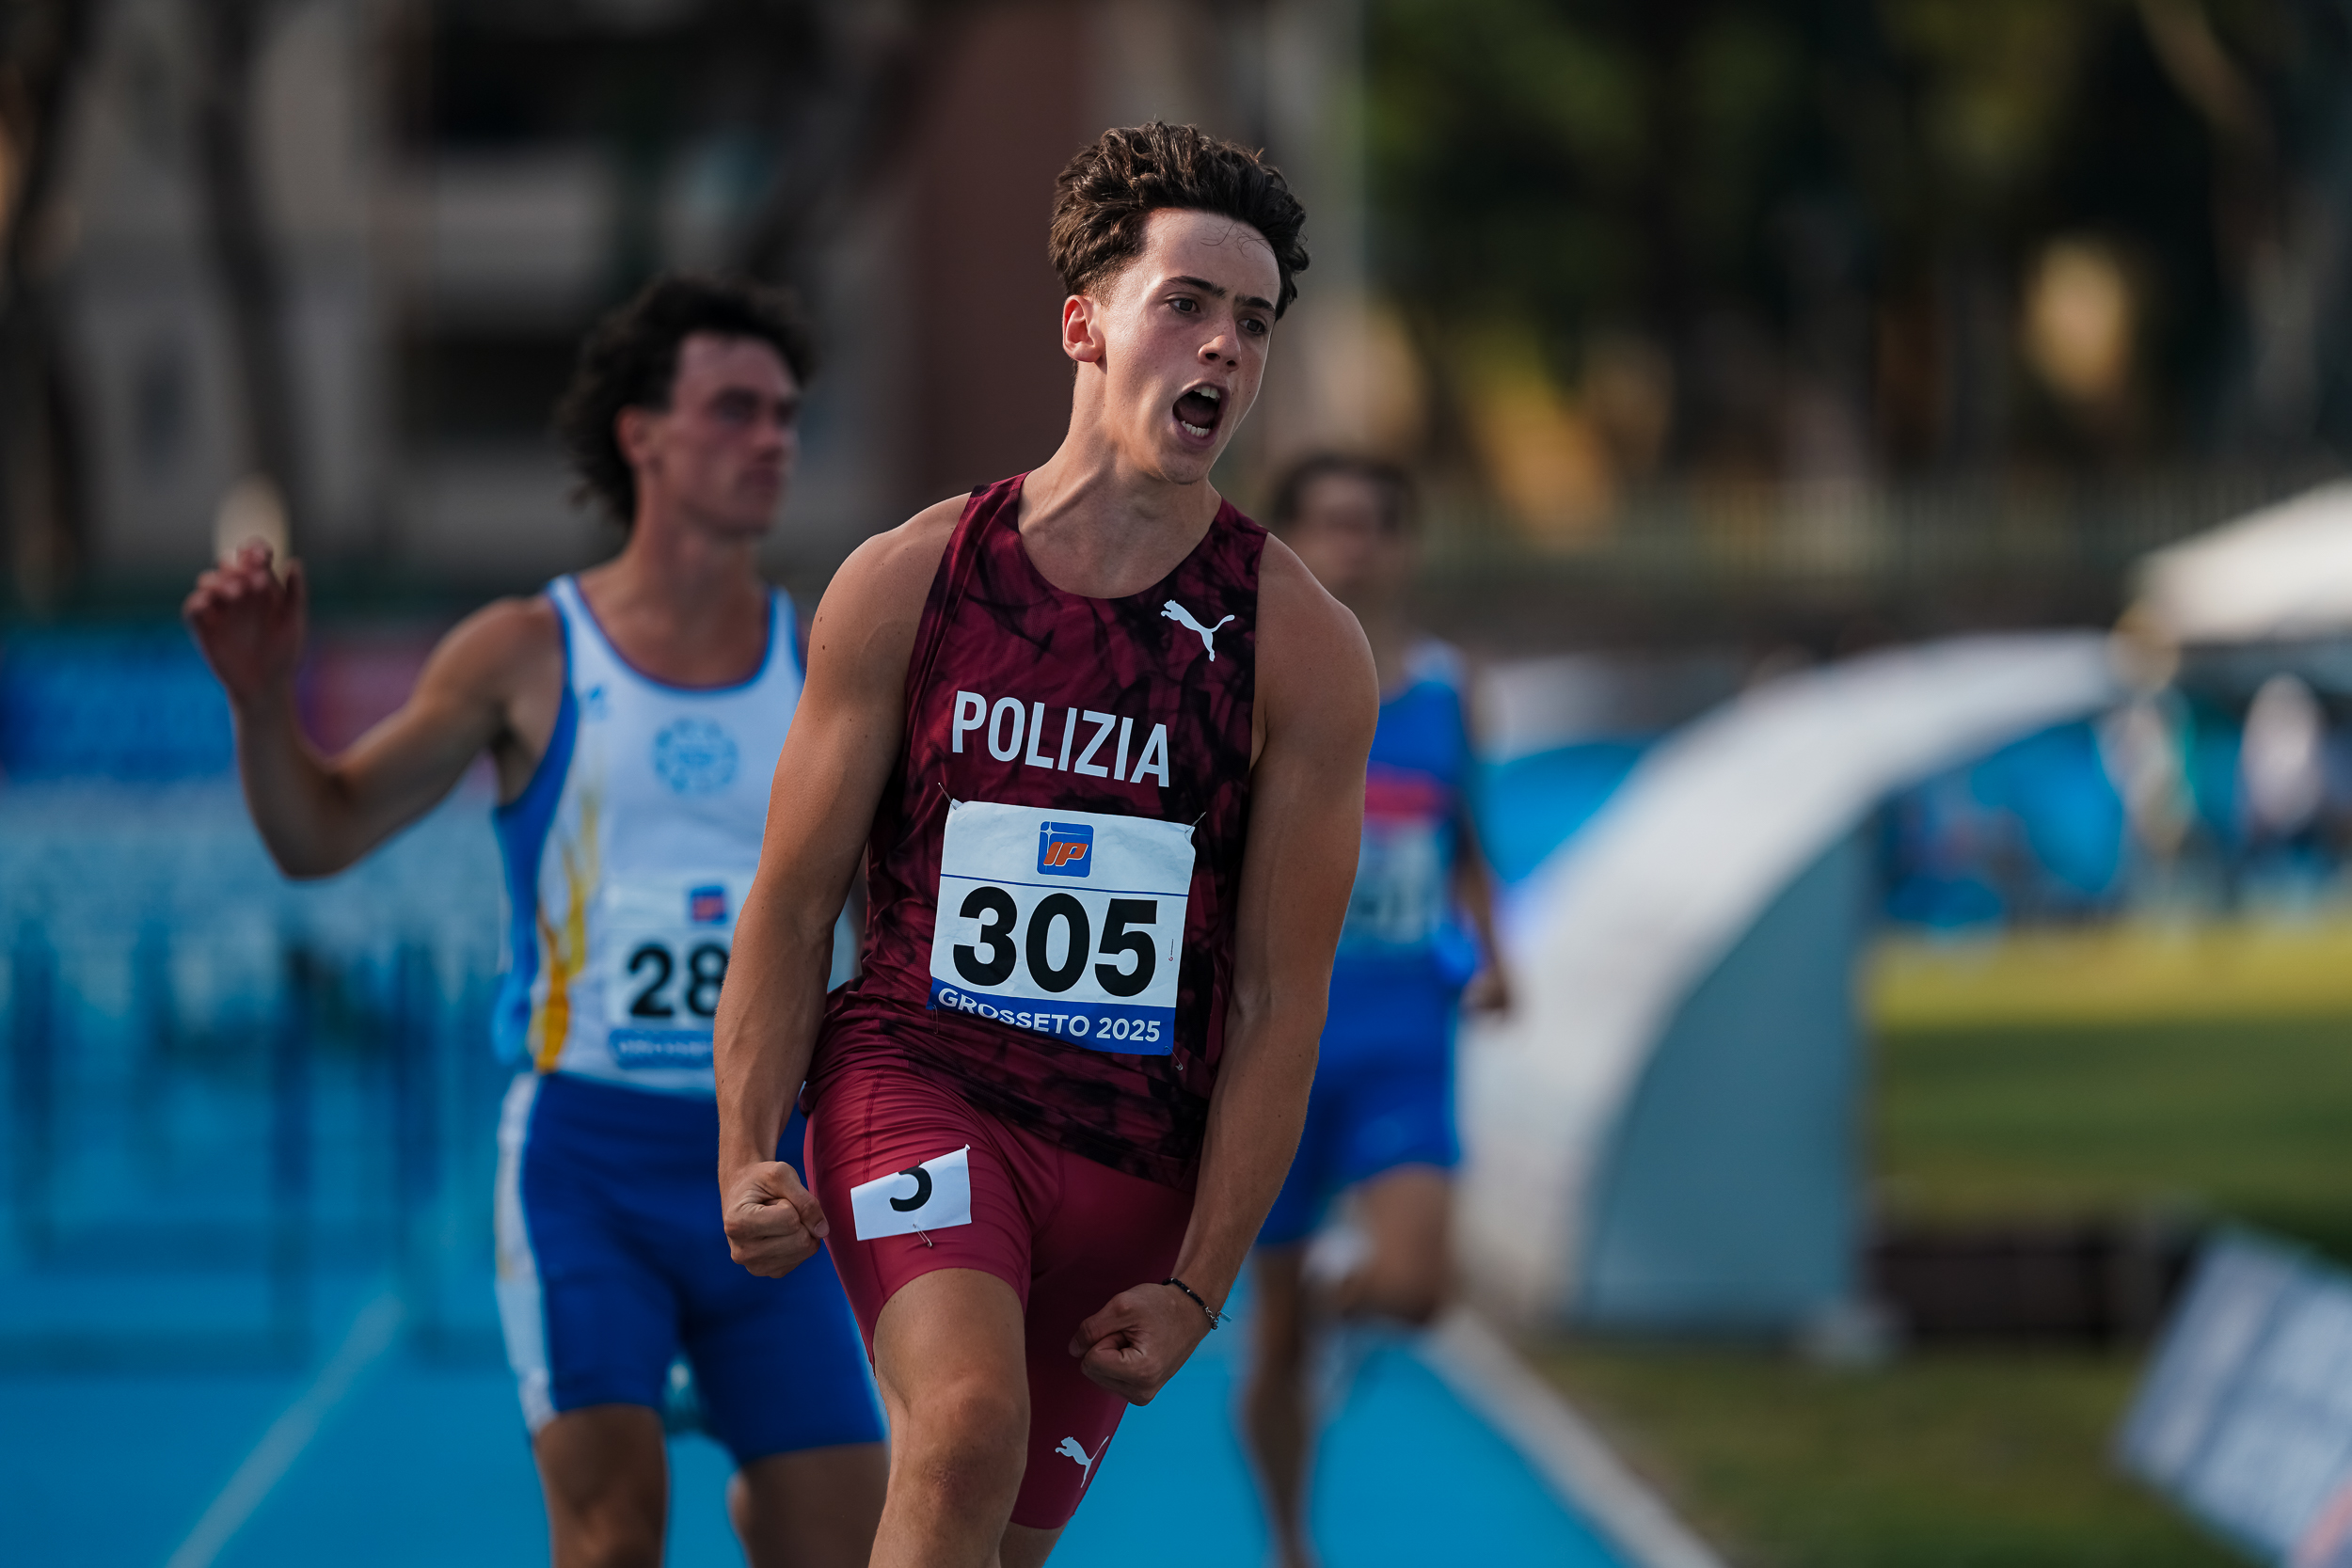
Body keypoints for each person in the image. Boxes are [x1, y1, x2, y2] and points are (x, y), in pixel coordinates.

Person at [713, 122, 1377, 1568]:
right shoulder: (911, 582)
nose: (1224, 347)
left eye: (1254, 322)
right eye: (1186, 304)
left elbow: (1280, 1001)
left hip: (1134, 1158)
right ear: (1085, 325)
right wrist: (745, 1145)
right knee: (963, 1429)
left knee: (994, 1540)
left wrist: (1201, 1283)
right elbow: (793, 900)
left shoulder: (1302, 647)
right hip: (921, 1076)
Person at [183, 275, 886, 1568]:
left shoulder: (829, 657)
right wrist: (262, 703)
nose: (774, 439)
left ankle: (764, 1494)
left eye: (787, 414)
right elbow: (319, 833)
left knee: (841, 1546)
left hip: (769, 1166)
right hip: (587, 1162)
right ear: (641, 434)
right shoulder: (525, 651)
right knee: (613, 1538)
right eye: (735, 409)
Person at [1240, 454, 1512, 1568]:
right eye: (1331, 523)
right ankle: (1291, 1542)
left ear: (1404, 546)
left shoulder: (1450, 686)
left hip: (1402, 1030)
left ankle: (1339, 1290)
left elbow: (1467, 836)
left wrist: (1496, 952)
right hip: (1272, 1041)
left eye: (1376, 525)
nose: (1355, 545)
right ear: (1288, 541)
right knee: (1271, 1340)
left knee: (1415, 1287)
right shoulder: (1249, 676)